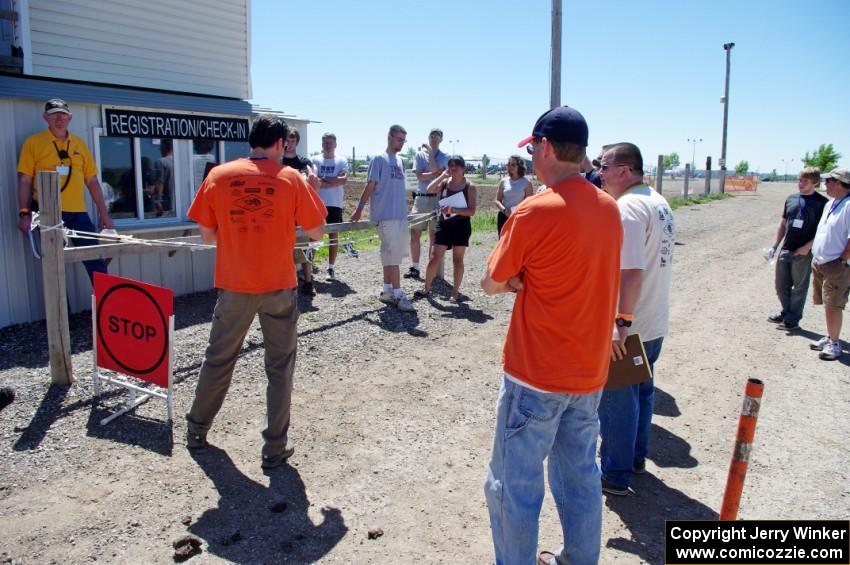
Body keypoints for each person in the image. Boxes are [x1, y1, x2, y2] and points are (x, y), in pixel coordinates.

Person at [481, 106, 622, 565]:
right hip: (588, 372)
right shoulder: (608, 208)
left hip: (536, 373)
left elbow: (491, 281)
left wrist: (520, 280)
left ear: (544, 147)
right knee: (579, 478)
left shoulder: (533, 211)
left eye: (533, 149)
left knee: (513, 486)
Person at [185, 115, 327, 468]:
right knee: (279, 368)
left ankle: (197, 431)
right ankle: (274, 449)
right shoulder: (291, 178)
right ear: (280, 144)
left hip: (234, 285)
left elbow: (205, 235)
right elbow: (317, 232)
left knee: (218, 359)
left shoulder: (218, 175)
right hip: (278, 285)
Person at [597, 142, 675, 497]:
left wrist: (620, 322)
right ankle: (636, 459)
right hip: (653, 319)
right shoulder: (658, 202)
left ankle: (615, 473)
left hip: (630, 324)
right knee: (642, 392)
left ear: (624, 170)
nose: (600, 172)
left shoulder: (627, 208)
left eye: (605, 166)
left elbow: (629, 271)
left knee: (618, 400)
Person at [16, 98, 113, 282]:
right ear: (46, 117)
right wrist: (24, 214)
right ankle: (61, 311)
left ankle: (107, 308)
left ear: (70, 117)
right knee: (55, 265)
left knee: (95, 262)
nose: (59, 119)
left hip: (79, 214)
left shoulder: (79, 144)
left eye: (62, 115)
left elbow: (92, 181)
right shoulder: (34, 143)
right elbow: (25, 181)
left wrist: (104, 214)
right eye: (54, 115)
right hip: (48, 215)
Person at [350, 125, 415, 313]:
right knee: (393, 256)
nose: (401, 143)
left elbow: (408, 187)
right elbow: (370, 185)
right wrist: (359, 209)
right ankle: (399, 294)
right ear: (390, 137)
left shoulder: (401, 161)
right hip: (385, 215)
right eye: (399, 139)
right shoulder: (379, 159)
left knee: (390, 254)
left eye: (404, 140)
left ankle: (387, 291)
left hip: (400, 214)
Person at [766, 167, 829, 330]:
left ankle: (792, 319)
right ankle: (786, 311)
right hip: (787, 248)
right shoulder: (791, 199)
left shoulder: (822, 203)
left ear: (815, 182)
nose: (800, 184)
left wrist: (808, 247)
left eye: (805, 181)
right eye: (799, 180)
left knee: (799, 287)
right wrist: (775, 245)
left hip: (804, 252)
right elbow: (783, 223)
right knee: (781, 284)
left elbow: (824, 230)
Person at [414, 156, 476, 301]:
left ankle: (455, 292)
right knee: (435, 257)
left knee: (457, 260)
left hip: (461, 226)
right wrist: (442, 175)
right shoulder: (444, 183)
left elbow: (471, 211)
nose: (453, 168)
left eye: (457, 166)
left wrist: (453, 209)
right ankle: (426, 288)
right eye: (451, 166)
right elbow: (429, 189)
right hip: (444, 225)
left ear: (463, 169)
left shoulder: (470, 187)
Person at [809, 167, 850, 361]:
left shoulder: (849, 205)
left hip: (836, 265)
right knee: (827, 303)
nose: (826, 184)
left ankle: (835, 344)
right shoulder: (832, 203)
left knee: (834, 305)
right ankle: (830, 336)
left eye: (830, 181)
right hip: (822, 262)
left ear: (841, 184)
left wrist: (841, 260)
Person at [281, 127, 321, 296]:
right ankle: (288, 283)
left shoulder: (304, 161)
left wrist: (312, 175)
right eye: (287, 141)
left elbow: (313, 175)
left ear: (297, 142)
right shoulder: (278, 161)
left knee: (305, 245)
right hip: (284, 210)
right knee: (285, 247)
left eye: (292, 140)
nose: (289, 144)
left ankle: (308, 281)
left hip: (300, 210)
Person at [406, 128, 449, 280]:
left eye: (437, 137)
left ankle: (432, 268)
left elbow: (436, 170)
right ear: (428, 137)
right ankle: (415, 267)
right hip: (421, 197)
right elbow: (419, 176)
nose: (434, 139)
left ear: (441, 140)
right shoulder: (418, 155)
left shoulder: (445, 156)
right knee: (415, 233)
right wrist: (435, 174)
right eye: (432, 136)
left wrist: (431, 154)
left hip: (437, 198)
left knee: (434, 235)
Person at [311, 132, 349, 281]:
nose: (328, 145)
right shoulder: (315, 160)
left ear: (335, 144)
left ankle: (331, 268)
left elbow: (343, 180)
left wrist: (322, 180)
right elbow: (313, 179)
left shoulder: (341, 161)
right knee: (313, 235)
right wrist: (333, 180)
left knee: (333, 235)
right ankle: (310, 266)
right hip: (317, 202)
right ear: (322, 144)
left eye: (330, 143)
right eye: (325, 143)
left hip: (335, 203)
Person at [494, 155, 533, 237]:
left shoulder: (526, 182)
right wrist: (505, 211)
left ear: (520, 166)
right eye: (508, 164)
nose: (510, 166)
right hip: (504, 216)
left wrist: (518, 212)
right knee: (503, 243)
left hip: (520, 217)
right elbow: (497, 200)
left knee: (518, 242)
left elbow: (529, 202)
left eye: (513, 164)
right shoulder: (503, 181)